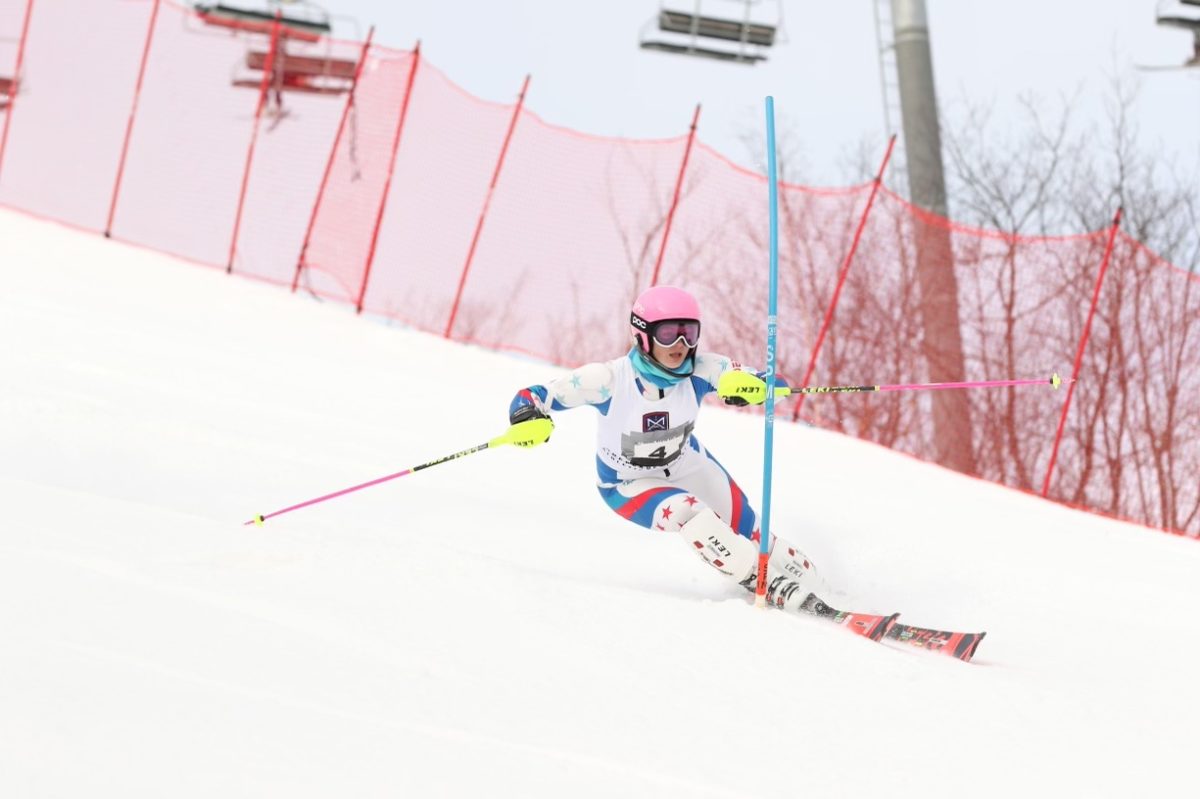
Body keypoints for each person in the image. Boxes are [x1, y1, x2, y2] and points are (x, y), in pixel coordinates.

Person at [505, 285, 827, 614]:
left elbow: (777, 383)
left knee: (752, 529)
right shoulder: (607, 380)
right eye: (669, 333)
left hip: (686, 462)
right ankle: (760, 581)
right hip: (628, 482)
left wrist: (758, 389)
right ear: (642, 334)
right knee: (691, 513)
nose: (681, 344)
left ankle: (821, 589)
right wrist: (526, 416)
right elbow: (534, 396)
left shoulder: (703, 369)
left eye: (689, 332)